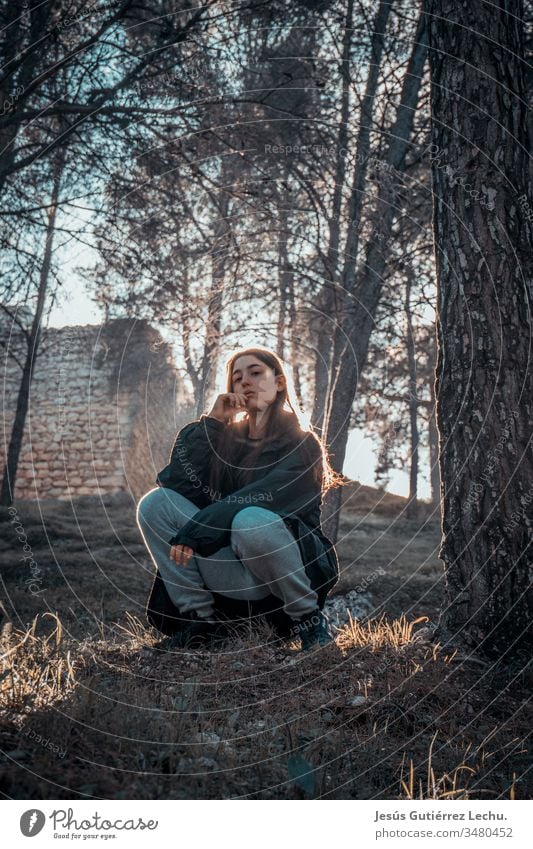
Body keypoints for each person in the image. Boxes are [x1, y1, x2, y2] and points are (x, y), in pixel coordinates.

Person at [136, 346, 343, 651]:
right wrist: (213, 424)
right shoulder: (225, 440)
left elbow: (261, 497)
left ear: (280, 382)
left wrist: (196, 532)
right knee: (156, 504)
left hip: (277, 579)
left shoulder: (303, 444)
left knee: (251, 519)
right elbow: (176, 484)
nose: (245, 381)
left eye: (256, 372)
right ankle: (201, 625)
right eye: (236, 378)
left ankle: (309, 622)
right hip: (229, 576)